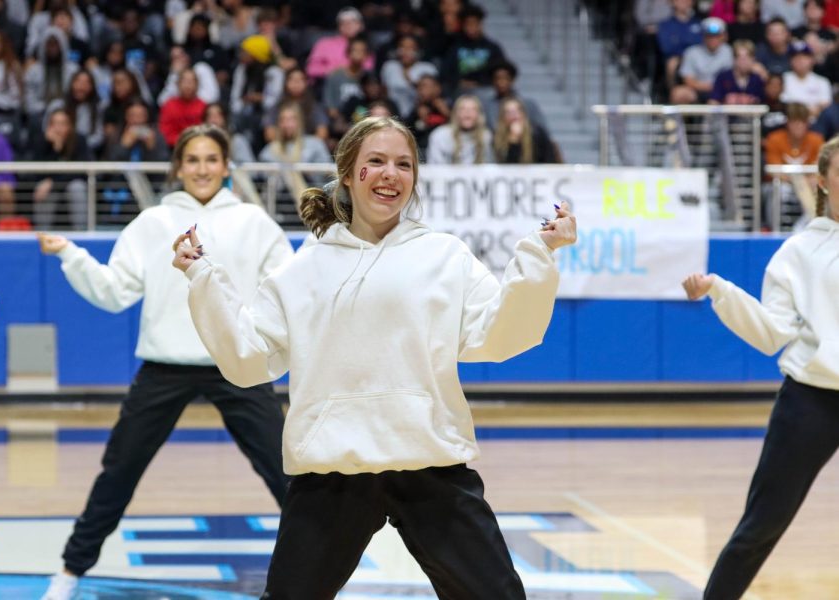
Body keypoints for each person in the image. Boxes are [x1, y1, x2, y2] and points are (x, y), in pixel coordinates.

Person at [171, 115, 577, 599]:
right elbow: (248, 360)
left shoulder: (445, 256)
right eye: (376, 161)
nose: (391, 174)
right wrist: (202, 281)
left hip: (430, 464)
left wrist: (539, 254)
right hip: (332, 473)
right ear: (348, 173)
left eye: (404, 164)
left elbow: (501, 335)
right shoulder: (303, 269)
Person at [38, 124, 293, 600]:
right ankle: (70, 572)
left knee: (286, 472)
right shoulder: (152, 222)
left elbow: (285, 290)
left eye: (211, 159)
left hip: (237, 363)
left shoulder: (255, 223)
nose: (201, 168)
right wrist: (71, 254)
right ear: (178, 167)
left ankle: (318, 575)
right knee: (119, 470)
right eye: (192, 159)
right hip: (164, 366)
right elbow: (115, 291)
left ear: (226, 166)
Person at [683, 134, 839, 600]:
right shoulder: (798, 253)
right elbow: (771, 331)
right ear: (823, 181)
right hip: (812, 400)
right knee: (761, 526)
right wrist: (719, 290)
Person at [426, 94, 493, 164]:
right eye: (462, 109)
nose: (468, 112)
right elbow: (434, 168)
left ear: (479, 115)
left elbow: (490, 167)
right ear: (455, 113)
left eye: (473, 109)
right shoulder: (439, 135)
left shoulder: (486, 136)